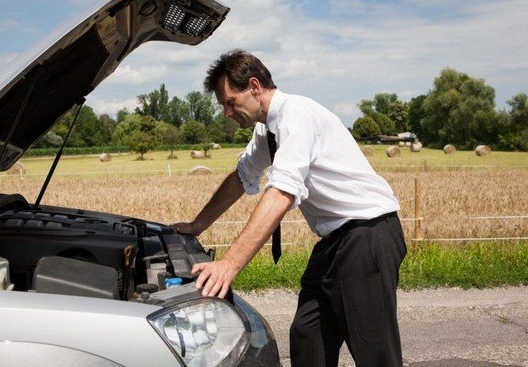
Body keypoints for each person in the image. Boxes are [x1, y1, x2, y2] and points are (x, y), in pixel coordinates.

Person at [172, 49, 407, 367]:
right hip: (335, 241)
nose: (227, 113)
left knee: (375, 351)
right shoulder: (265, 129)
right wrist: (196, 225)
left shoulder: (296, 115)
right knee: (308, 337)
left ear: (254, 86)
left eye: (230, 102)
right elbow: (242, 178)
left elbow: (281, 192)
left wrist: (229, 265)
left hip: (367, 234)